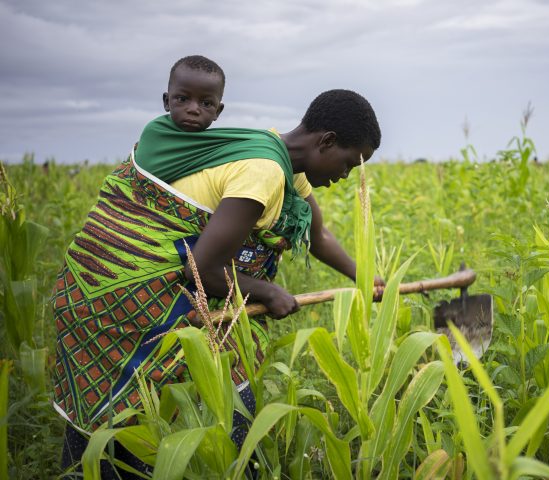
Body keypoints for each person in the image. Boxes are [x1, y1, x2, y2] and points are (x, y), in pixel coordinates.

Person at [53, 77, 382, 476]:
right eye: (350, 162)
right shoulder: (263, 170)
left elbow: (318, 233)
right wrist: (268, 291)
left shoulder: (280, 152)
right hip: (123, 289)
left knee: (125, 422)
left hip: (99, 287)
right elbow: (205, 269)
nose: (348, 175)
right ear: (326, 141)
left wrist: (366, 278)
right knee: (121, 427)